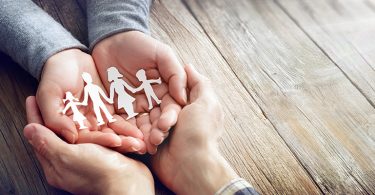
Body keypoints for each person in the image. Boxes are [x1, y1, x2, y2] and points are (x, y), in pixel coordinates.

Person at [24, 64, 258, 195]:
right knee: (108, 114)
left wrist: (121, 184)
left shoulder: (115, 83)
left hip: (120, 104)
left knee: (110, 114)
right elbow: (97, 94)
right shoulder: (102, 86)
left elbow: (116, 89)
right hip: (110, 105)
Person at [0, 0, 185, 153]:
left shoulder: (115, 82)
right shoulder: (96, 87)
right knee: (104, 111)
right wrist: (51, 49)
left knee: (110, 109)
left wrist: (118, 25)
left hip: (122, 98)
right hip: (105, 102)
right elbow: (102, 94)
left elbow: (119, 90)